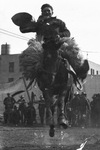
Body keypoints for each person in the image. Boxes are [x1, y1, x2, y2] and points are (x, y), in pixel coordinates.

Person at [19, 3, 89, 81]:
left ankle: (80, 73)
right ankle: (30, 76)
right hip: (42, 46)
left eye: (48, 10)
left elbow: (67, 33)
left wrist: (60, 35)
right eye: (44, 11)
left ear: (52, 12)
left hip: (58, 43)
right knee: (29, 57)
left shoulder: (58, 22)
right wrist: (24, 22)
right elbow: (24, 30)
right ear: (42, 12)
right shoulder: (38, 24)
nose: (47, 12)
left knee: (73, 52)